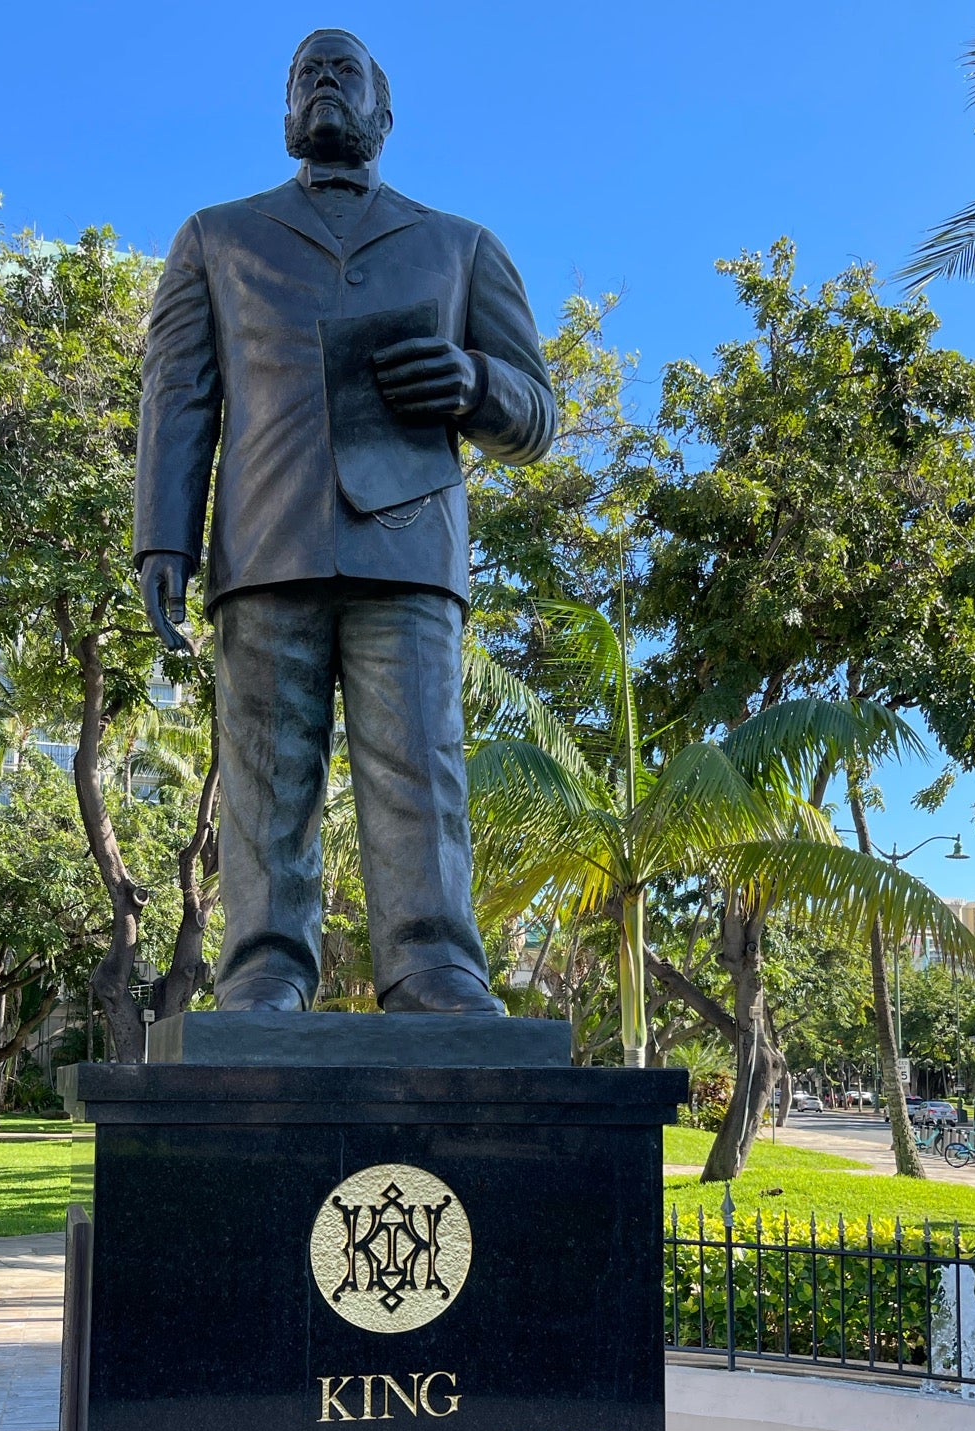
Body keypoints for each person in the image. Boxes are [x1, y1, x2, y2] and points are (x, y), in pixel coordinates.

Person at [133, 29, 556, 1015]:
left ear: (383, 114)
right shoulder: (217, 238)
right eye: (305, 73)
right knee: (267, 779)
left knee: (419, 769)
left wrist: (476, 380)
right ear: (286, 113)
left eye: (345, 70)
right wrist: (164, 537)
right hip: (266, 540)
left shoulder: (461, 247)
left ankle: (433, 963)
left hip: (409, 549)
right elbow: (179, 393)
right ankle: (267, 965)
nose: (324, 80)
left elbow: (535, 415)